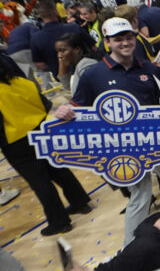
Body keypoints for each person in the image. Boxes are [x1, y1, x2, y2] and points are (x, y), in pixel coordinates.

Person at [55, 17, 160, 246]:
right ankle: (131, 248)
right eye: (118, 39)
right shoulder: (93, 75)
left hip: (156, 139)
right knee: (140, 195)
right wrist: (65, 110)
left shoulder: (148, 68)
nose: (125, 43)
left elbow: (159, 97)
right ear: (107, 42)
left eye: (129, 38)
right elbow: (78, 107)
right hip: (125, 146)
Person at [0, 53, 92, 236]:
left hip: (15, 138)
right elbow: (40, 98)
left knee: (38, 180)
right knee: (57, 167)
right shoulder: (14, 71)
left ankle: (59, 222)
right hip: (39, 124)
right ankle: (80, 202)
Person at [31, 0, 90, 75]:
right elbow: (93, 48)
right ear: (56, 12)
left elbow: (40, 65)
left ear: (41, 16)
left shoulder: (35, 39)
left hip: (60, 77)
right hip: (85, 71)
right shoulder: (74, 27)